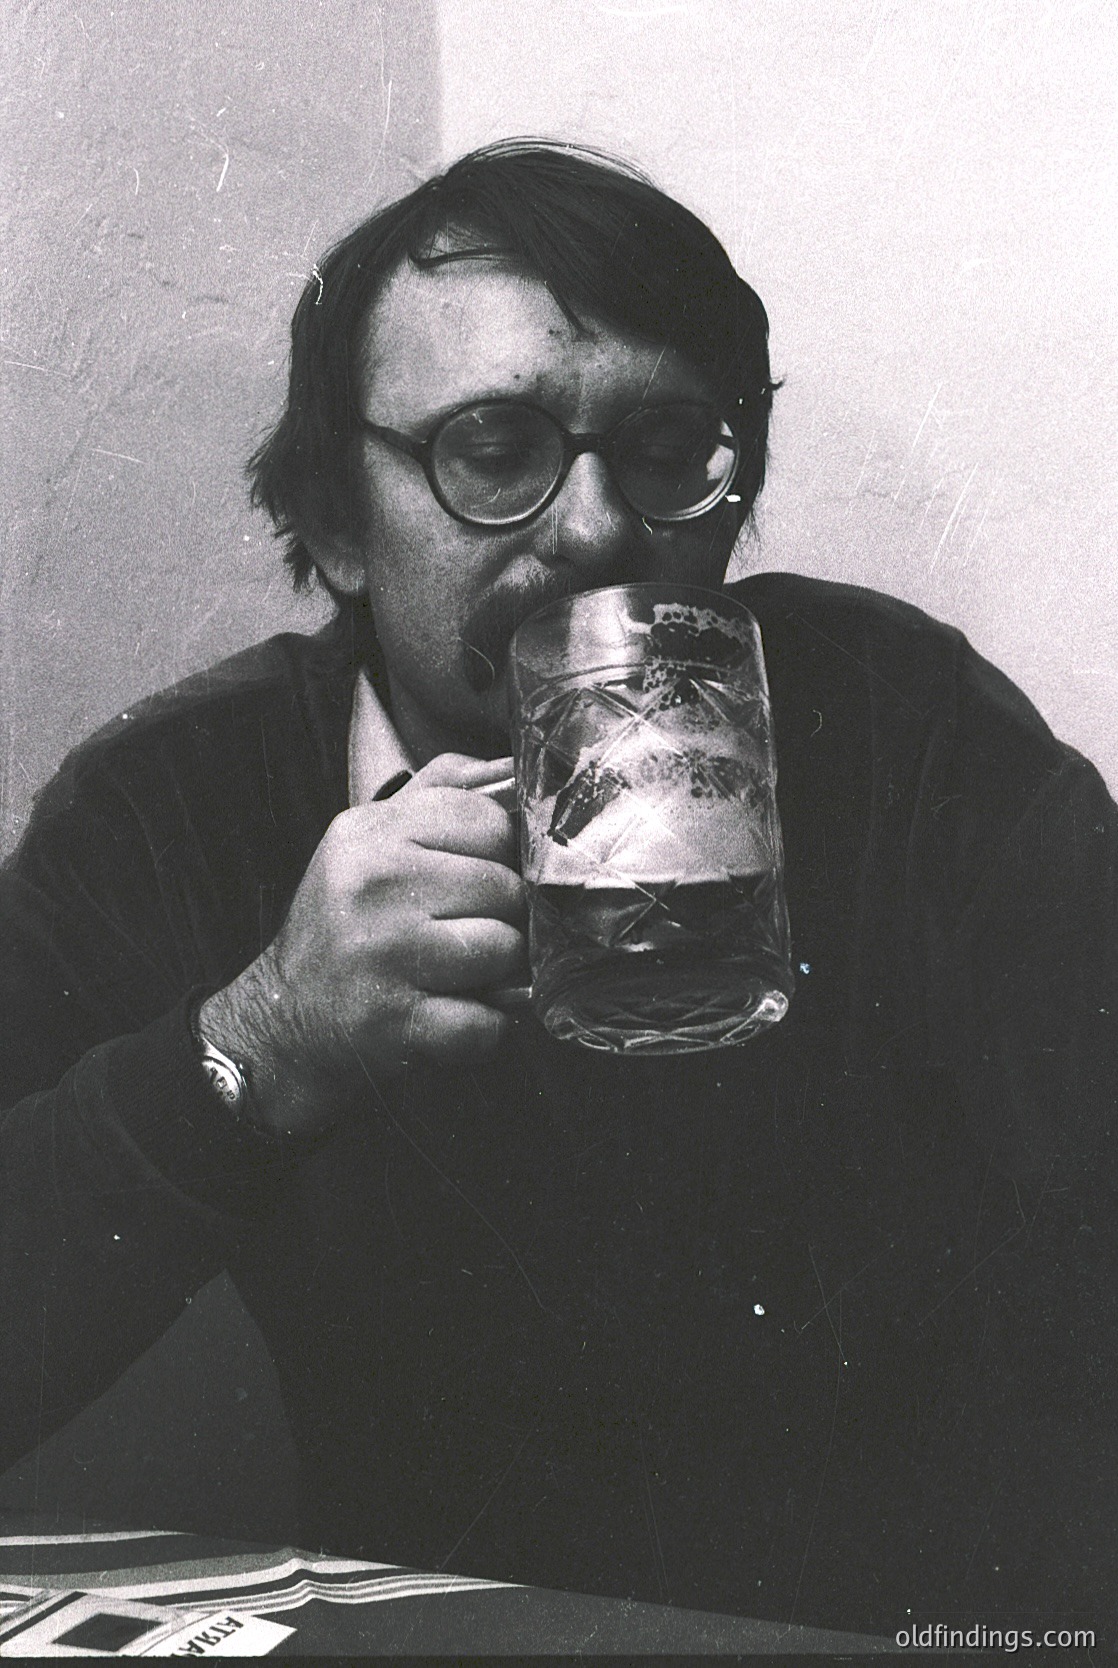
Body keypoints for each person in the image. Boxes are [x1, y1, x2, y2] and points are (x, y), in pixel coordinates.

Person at [1, 141, 1115, 1640]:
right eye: (492, 448)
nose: (594, 529)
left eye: (665, 446)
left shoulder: (896, 721)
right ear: (338, 520)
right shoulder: (175, 806)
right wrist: (258, 1042)